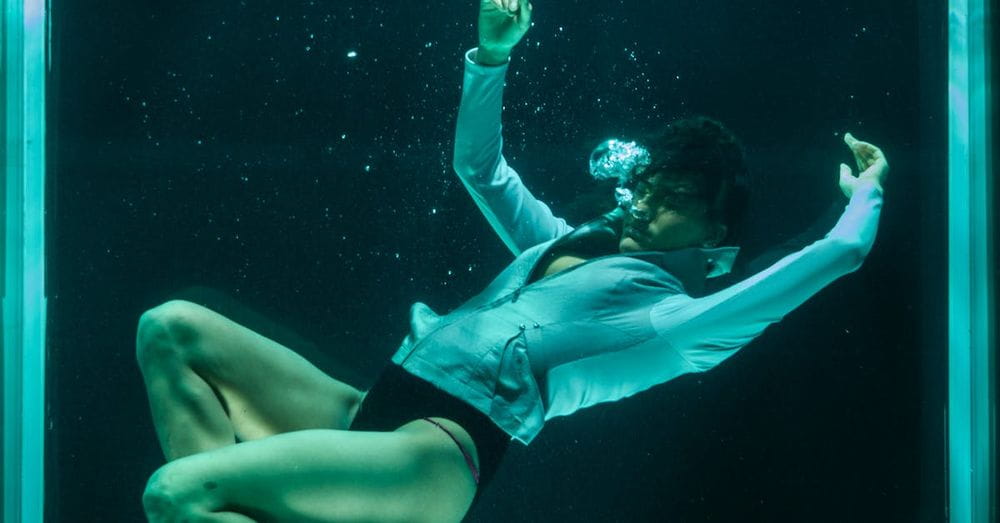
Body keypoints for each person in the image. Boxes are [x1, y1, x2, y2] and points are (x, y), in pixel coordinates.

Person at [136, 1, 889, 521]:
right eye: (656, 177)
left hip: (432, 455)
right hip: (372, 408)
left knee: (177, 492)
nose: (652, 193)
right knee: (171, 328)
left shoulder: (678, 321)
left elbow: (843, 252)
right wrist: (491, 54)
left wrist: (867, 189)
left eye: (679, 190)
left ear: (716, 234)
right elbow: (480, 168)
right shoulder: (559, 242)